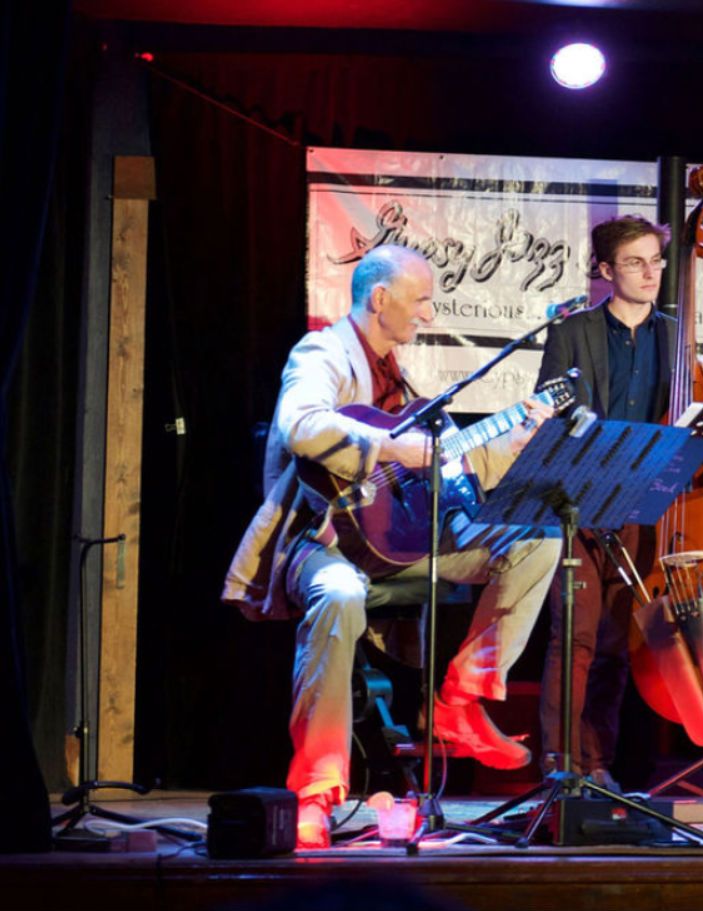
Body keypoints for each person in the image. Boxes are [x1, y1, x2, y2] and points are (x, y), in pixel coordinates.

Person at [222, 245, 562, 849]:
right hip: (319, 540)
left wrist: (512, 442)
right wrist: (392, 449)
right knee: (339, 593)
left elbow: (453, 470)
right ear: (380, 299)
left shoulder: (399, 376)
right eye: (422, 299)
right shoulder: (323, 352)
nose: (428, 314)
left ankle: (462, 698)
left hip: (391, 542)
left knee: (536, 539)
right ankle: (315, 793)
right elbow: (299, 424)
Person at [532, 214, 703, 787]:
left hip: (650, 506)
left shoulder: (675, 334)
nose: (650, 272)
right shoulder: (572, 333)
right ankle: (560, 763)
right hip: (585, 497)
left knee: (618, 643)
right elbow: (554, 403)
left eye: (657, 261)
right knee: (577, 635)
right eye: (636, 262)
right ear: (606, 269)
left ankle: (599, 765)